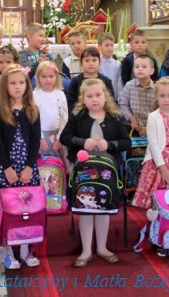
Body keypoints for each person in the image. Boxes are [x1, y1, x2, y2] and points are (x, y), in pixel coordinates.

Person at [61, 79, 131, 268]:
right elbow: (65, 137)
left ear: (105, 96)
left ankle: (102, 248)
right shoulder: (78, 116)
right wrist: (82, 142)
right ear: (83, 99)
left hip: (107, 174)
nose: (94, 99)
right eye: (89, 96)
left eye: (98, 95)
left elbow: (126, 142)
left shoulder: (115, 117)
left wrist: (110, 144)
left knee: (103, 209)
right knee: (85, 209)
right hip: (84, 173)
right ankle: (86, 250)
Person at [131, 77, 169, 257]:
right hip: (159, 165)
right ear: (156, 97)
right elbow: (154, 144)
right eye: (162, 96)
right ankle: (159, 238)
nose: (166, 99)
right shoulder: (153, 117)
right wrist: (163, 168)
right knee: (159, 204)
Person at [0, 64, 42, 269]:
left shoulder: (32, 110)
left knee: (26, 211)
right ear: (5, 86)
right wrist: (7, 168)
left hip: (27, 167)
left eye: (21, 82)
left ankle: (25, 251)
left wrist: (29, 167)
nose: (18, 86)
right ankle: (9, 252)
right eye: (13, 83)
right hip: (7, 167)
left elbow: (35, 141)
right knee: (9, 212)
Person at [33, 61, 68, 160]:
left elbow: (64, 118)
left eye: (51, 76)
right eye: (44, 77)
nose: (48, 80)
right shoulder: (34, 95)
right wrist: (40, 138)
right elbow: (32, 118)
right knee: (41, 162)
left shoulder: (60, 94)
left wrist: (59, 138)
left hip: (57, 135)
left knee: (58, 162)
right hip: (40, 136)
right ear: (38, 78)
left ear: (56, 77)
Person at [66, 47, 115, 113]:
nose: (91, 63)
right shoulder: (75, 81)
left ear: (99, 62)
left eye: (94, 60)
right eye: (87, 60)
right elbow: (70, 102)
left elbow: (111, 100)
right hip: (80, 116)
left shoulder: (106, 81)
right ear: (81, 63)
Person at [120, 54, 157, 136]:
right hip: (132, 127)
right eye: (136, 67)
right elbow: (123, 104)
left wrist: (148, 128)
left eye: (144, 67)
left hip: (152, 128)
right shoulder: (129, 85)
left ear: (152, 71)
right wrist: (132, 119)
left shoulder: (157, 88)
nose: (140, 69)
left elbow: (160, 110)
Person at [98, 32, 122, 101]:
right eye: (107, 45)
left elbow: (119, 82)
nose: (110, 48)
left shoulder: (118, 64)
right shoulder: (97, 64)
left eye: (111, 45)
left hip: (114, 98)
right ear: (99, 47)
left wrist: (120, 98)